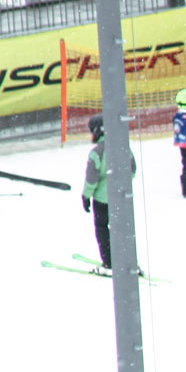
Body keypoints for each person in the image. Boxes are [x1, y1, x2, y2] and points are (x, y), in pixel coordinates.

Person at [80, 114, 135, 270]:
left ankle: (110, 262)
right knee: (122, 229)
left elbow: (92, 179)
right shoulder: (123, 147)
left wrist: (86, 196)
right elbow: (132, 169)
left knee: (103, 229)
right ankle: (126, 260)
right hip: (121, 197)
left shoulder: (96, 152)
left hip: (102, 200)